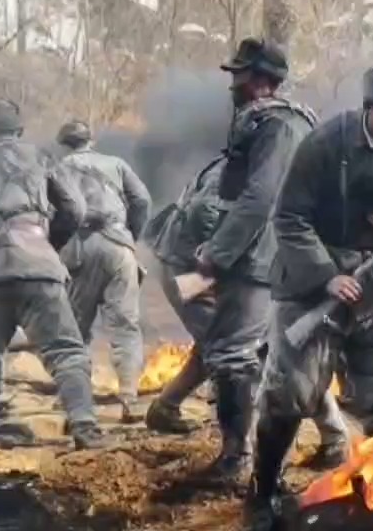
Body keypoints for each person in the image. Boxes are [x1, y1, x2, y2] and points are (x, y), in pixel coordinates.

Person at [140, 42, 349, 476]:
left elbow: (263, 197)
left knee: (237, 353)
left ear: (259, 79)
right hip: (251, 259)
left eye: (239, 75)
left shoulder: (282, 124)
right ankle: (334, 439)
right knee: (258, 344)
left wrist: (217, 254)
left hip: (258, 261)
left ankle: (237, 461)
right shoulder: (265, 122)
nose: (232, 83)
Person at [247, 60, 373, 529]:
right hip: (314, 289)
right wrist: (327, 275)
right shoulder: (325, 144)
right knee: (289, 395)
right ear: (370, 108)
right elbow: (288, 218)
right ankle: (262, 491)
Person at [0, 99, 106, 449]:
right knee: (67, 353)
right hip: (38, 264)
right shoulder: (42, 156)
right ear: (19, 129)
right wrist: (48, 243)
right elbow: (75, 210)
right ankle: (85, 427)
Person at [55, 119, 153, 420]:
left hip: (79, 250)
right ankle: (128, 397)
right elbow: (142, 201)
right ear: (90, 140)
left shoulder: (57, 169)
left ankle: (78, 407)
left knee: (75, 331)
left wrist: (57, 245)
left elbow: (53, 212)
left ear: (63, 143)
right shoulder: (116, 164)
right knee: (126, 326)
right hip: (118, 246)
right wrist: (130, 237)